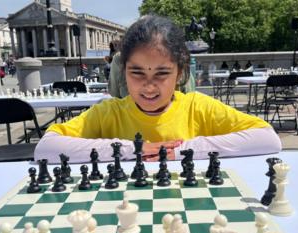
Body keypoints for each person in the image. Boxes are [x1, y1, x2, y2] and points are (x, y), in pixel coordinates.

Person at [34, 15, 281, 163]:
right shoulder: (108, 112)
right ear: (123, 71)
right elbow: (45, 148)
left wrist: (183, 150)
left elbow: (268, 138)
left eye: (162, 73)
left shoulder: (197, 106)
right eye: (137, 72)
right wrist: (132, 149)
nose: (149, 86)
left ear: (179, 72)